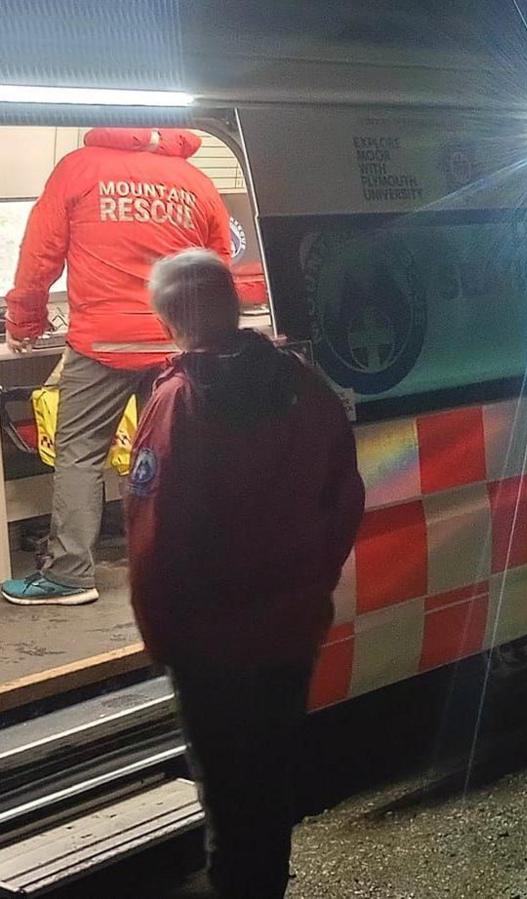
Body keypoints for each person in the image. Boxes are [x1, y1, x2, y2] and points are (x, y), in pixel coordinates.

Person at [124, 249, 364, 899]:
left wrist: (160, 636)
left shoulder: (177, 402)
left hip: (212, 647)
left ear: (170, 318)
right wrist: (311, 581)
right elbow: (346, 494)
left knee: (229, 795)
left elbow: (154, 539)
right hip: (291, 630)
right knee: (270, 775)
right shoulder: (300, 382)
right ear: (231, 305)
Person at [4, 128, 233, 606]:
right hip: (177, 343)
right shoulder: (195, 179)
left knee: (81, 454)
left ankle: (70, 576)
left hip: (102, 342)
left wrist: (24, 322)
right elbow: (219, 266)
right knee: (180, 454)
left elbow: (39, 255)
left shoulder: (79, 168)